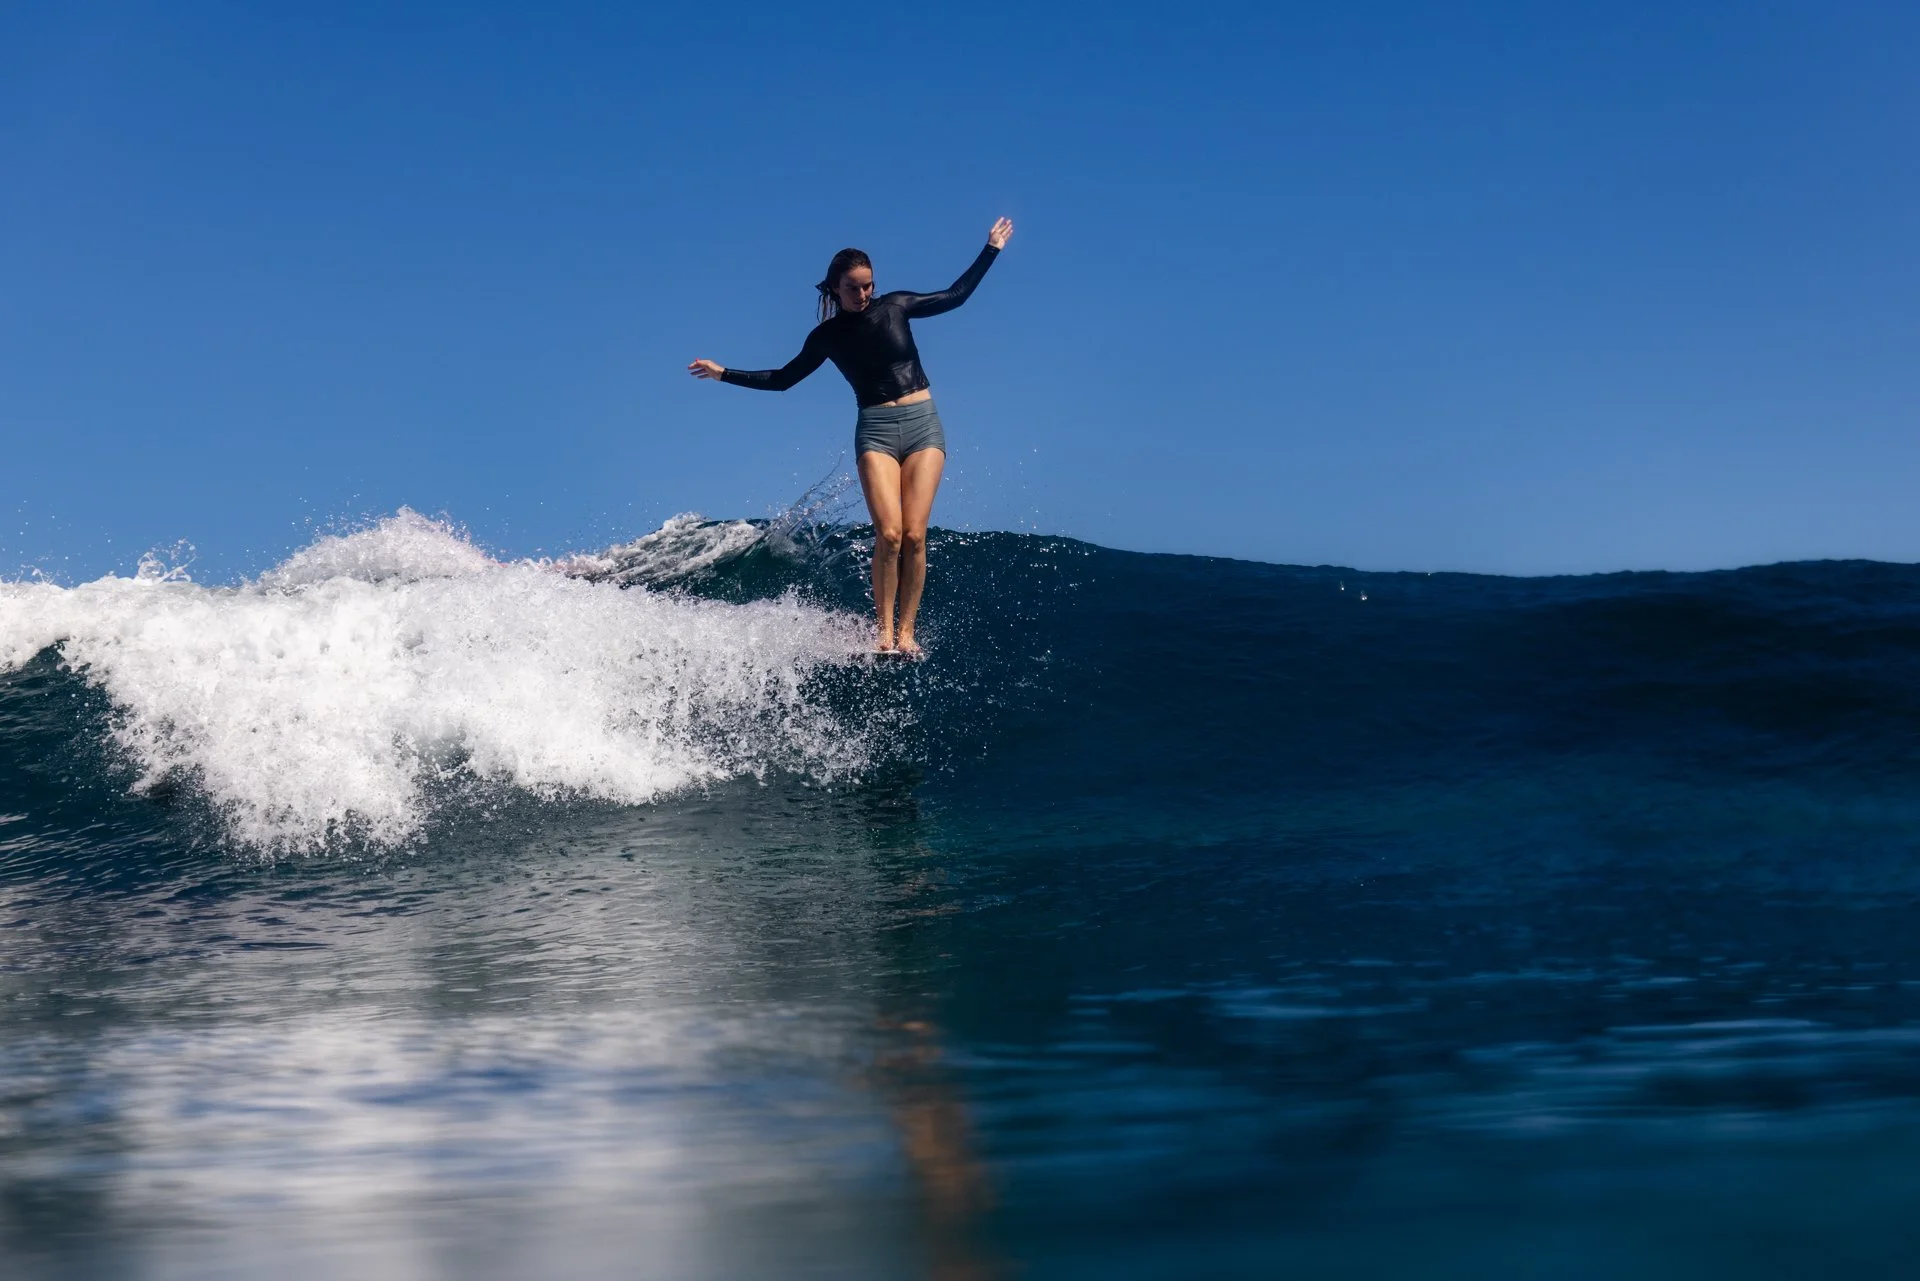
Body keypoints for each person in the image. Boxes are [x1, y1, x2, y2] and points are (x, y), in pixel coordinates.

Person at [689, 217, 1015, 655]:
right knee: (891, 535)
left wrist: (990, 249)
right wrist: (723, 373)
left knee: (916, 535)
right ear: (834, 289)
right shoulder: (826, 337)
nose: (863, 295)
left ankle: (907, 632)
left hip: (923, 424)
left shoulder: (896, 306)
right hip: (876, 432)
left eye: (868, 286)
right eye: (854, 288)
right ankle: (883, 632)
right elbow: (784, 378)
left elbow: (955, 296)